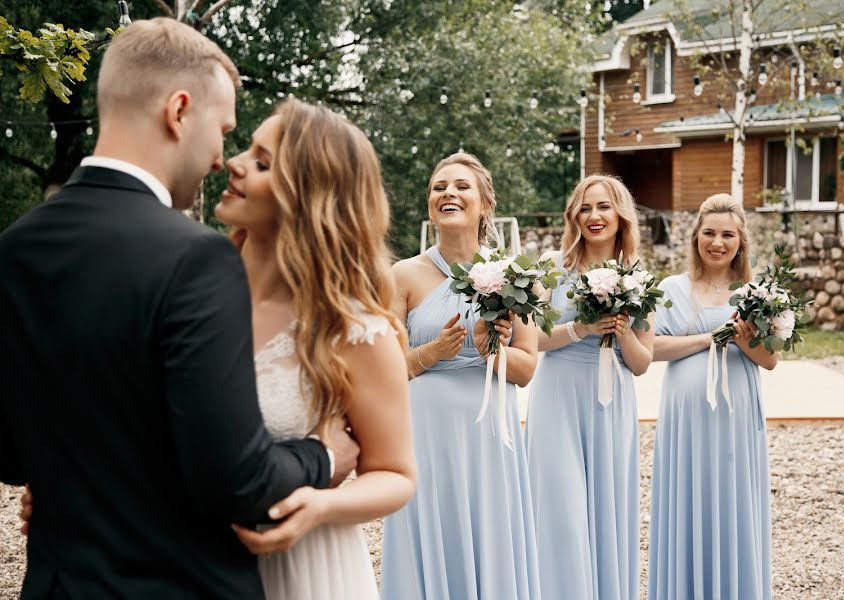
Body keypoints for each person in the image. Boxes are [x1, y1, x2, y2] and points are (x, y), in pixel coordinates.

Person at [0, 18, 357, 599]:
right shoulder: (195, 257)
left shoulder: (14, 248)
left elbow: (12, 453)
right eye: (222, 130)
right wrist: (320, 457)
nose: (222, 158)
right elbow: (237, 481)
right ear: (179, 111)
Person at [214, 98, 416, 599]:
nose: (234, 163)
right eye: (247, 150)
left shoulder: (353, 328)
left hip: (302, 568)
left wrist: (318, 506)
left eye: (262, 162)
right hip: (190, 558)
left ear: (309, 197)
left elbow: (395, 473)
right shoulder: (195, 293)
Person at [380, 152, 541, 599]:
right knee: (430, 531)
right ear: (431, 205)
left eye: (461, 186)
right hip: (427, 433)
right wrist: (429, 353)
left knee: (491, 533)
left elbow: (526, 369)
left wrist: (494, 351)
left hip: (490, 433)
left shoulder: (514, 277)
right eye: (439, 187)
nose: (448, 193)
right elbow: (385, 369)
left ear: (485, 204)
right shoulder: (402, 275)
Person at [525, 175, 652, 600]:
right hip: (558, 396)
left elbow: (642, 363)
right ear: (573, 216)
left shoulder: (638, 277)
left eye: (603, 207)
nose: (594, 216)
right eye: (585, 208)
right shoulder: (552, 266)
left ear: (621, 215)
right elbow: (534, 341)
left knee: (606, 508)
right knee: (561, 510)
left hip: (611, 401)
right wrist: (580, 328)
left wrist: (623, 332)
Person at [648, 193, 777, 600]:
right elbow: (651, 349)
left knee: (732, 504)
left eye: (726, 235)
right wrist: (710, 337)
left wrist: (746, 339)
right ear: (695, 237)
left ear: (740, 241)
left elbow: (769, 361)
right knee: (689, 501)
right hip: (685, 418)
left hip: (736, 414)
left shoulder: (756, 292)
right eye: (709, 233)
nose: (717, 243)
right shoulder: (672, 288)